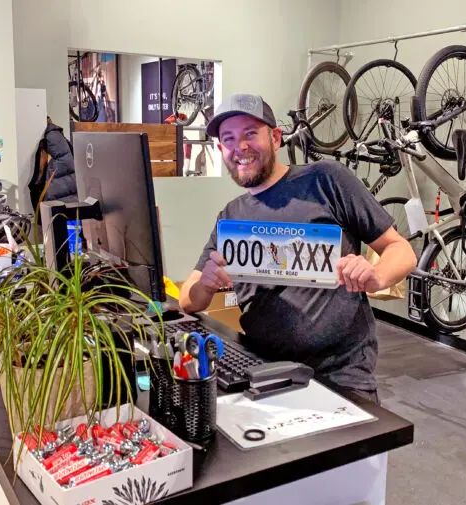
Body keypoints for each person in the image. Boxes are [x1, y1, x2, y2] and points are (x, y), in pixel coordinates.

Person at [178, 94, 417, 403]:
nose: (241, 147)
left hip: (342, 374)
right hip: (266, 372)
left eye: (251, 133)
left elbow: (402, 250)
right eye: (229, 139)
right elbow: (188, 300)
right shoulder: (232, 216)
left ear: (275, 137)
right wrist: (205, 287)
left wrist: (376, 275)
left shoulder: (326, 180)